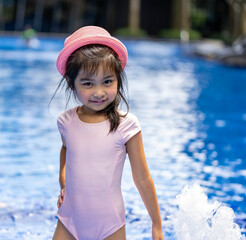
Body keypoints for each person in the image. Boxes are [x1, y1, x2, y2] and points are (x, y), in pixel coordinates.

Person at [52, 26, 164, 240]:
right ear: (71, 83)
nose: (99, 92)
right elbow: (66, 148)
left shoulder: (126, 125)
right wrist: (63, 183)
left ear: (118, 79)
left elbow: (142, 178)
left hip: (109, 226)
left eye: (107, 81)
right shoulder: (66, 121)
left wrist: (156, 224)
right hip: (69, 221)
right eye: (87, 83)